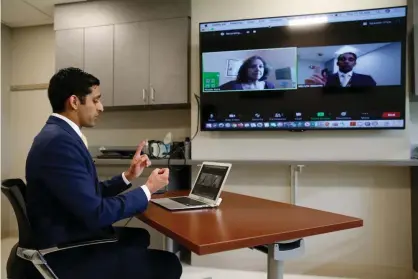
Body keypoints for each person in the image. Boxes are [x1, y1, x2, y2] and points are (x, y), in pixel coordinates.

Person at [24, 67, 182, 279]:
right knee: (169, 264)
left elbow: (86, 193)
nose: (101, 107)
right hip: (66, 252)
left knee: (140, 237)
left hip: (69, 233)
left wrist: (129, 176)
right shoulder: (59, 143)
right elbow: (96, 213)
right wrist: (149, 188)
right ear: (74, 102)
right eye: (96, 100)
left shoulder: (59, 135)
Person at [308, 52, 376, 87]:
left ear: (354, 63)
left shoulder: (367, 79)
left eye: (351, 59)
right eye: (343, 59)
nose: (346, 61)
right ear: (337, 63)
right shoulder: (327, 79)